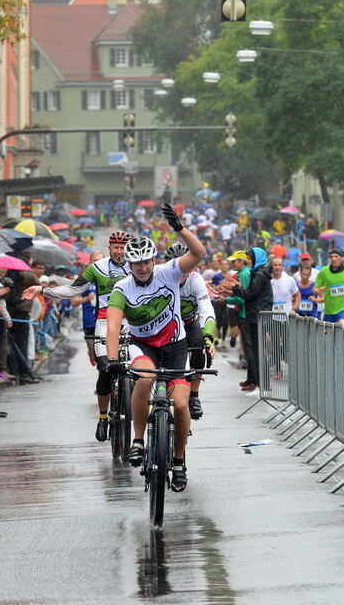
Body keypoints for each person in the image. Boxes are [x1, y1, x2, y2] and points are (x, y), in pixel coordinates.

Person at [105, 204, 206, 492]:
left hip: (175, 344)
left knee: (182, 404)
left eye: (146, 261)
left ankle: (178, 461)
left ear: (152, 259)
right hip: (144, 346)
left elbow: (198, 254)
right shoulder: (122, 288)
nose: (143, 267)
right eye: (137, 263)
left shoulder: (168, 272)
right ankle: (138, 440)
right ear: (129, 265)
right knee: (144, 378)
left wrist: (179, 228)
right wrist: (112, 359)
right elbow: (113, 327)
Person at [23, 231, 132, 441]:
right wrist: (42, 290)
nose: (119, 251)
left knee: (142, 369)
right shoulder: (98, 268)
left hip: (131, 322)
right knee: (106, 370)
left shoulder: (137, 266)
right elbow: (72, 290)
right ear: (109, 248)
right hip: (104, 322)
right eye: (115, 247)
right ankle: (103, 417)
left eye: (122, 247)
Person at [163, 242, 216, 420]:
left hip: (189, 322)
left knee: (200, 348)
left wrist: (208, 338)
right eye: (178, 268)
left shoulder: (196, 280)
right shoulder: (161, 277)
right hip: (168, 324)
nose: (182, 273)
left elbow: (206, 310)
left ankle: (194, 395)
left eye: (187, 268)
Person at [217, 247, 272, 395]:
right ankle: (254, 380)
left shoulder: (259, 274)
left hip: (255, 316)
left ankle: (260, 384)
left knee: (255, 351)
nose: (248, 260)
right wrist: (234, 289)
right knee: (251, 350)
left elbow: (249, 294)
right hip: (253, 315)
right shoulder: (256, 273)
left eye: (250, 257)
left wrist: (235, 288)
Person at [313, 248, 344, 324]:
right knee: (328, 334)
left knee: (342, 327)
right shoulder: (324, 271)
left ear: (342, 258)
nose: (334, 259)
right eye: (331, 257)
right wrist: (319, 291)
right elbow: (315, 288)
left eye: (336, 256)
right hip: (329, 309)